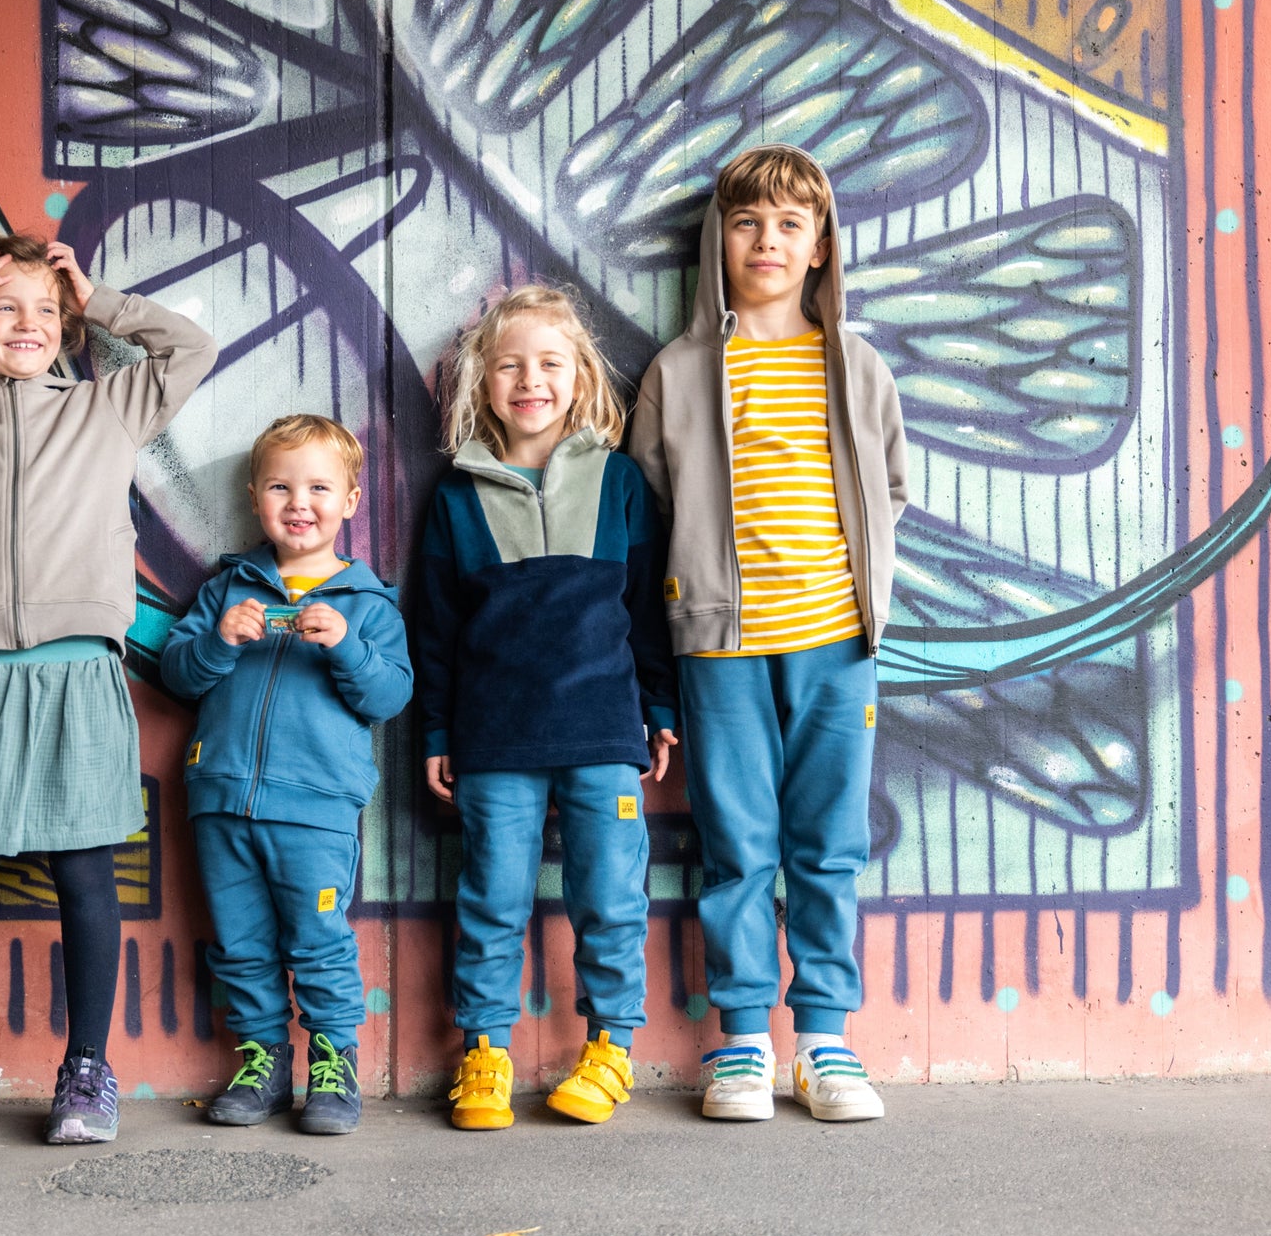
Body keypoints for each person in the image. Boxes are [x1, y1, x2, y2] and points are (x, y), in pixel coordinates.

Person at [0, 233, 217, 1146]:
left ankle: (87, 1069)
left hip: (77, 671)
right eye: (2, 307)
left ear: (68, 329)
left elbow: (191, 347)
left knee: (85, 873)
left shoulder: (106, 409)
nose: (27, 325)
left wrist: (95, 299)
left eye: (45, 312)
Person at [626, 144, 909, 1123]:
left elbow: (892, 487)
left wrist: (857, 588)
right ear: (719, 240)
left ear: (823, 245)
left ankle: (825, 1039)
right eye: (748, 222)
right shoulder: (682, 371)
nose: (769, 240)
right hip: (721, 651)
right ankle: (743, 1039)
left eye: (792, 223)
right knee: (739, 845)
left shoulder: (854, 365)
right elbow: (650, 505)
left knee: (831, 844)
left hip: (838, 646)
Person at [413, 286, 679, 1131]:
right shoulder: (456, 498)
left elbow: (646, 608)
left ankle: (609, 1050)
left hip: (604, 732)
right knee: (492, 897)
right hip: (494, 739)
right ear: (482, 383)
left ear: (581, 377)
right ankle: (485, 1053)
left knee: (610, 894)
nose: (531, 380)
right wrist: (437, 731)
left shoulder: (620, 482)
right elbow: (435, 629)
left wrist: (659, 707)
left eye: (550, 364)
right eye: (510, 365)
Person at [160, 415, 413, 1135]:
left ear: (350, 502)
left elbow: (390, 697)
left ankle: (334, 1068)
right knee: (239, 944)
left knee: (319, 940)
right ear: (255, 498)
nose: (299, 502)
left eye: (318, 488)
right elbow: (179, 676)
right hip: (222, 800)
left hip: (317, 812)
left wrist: (348, 652)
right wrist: (219, 640)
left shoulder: (369, 603)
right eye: (280, 486)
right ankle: (262, 1062)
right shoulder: (229, 590)